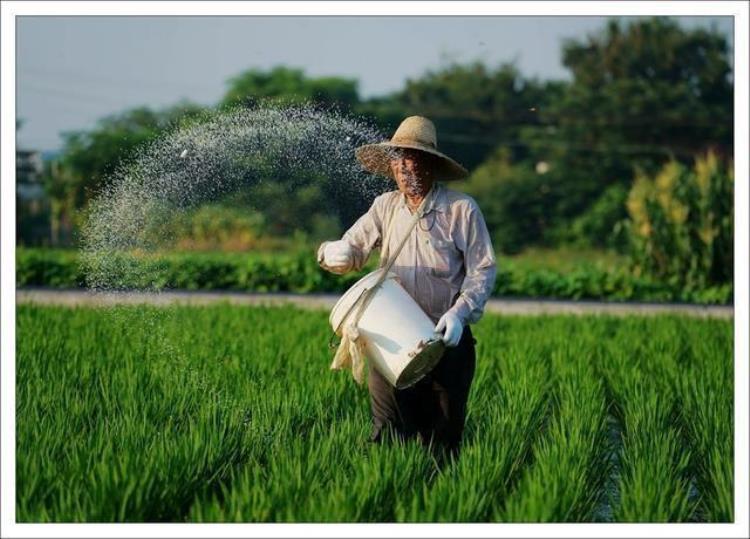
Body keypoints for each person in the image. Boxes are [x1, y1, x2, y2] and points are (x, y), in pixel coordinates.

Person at [317, 116, 497, 460]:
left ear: (431, 164)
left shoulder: (460, 209)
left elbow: (483, 270)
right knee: (385, 437)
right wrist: (332, 252)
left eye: (412, 157)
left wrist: (459, 313)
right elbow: (353, 247)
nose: (404, 166)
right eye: (398, 158)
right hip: (391, 343)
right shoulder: (384, 207)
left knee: (441, 445)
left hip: (446, 341)